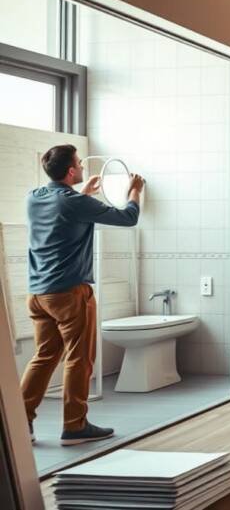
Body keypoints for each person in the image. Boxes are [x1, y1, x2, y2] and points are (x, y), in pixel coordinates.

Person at [21, 145, 144, 446]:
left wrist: (84, 193)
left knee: (44, 357)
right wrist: (135, 191)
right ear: (72, 171)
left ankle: (17, 423)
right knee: (80, 357)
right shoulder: (74, 202)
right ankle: (74, 426)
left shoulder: (34, 197)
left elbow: (64, 211)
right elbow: (128, 218)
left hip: (38, 294)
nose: (83, 167)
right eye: (79, 163)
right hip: (69, 293)